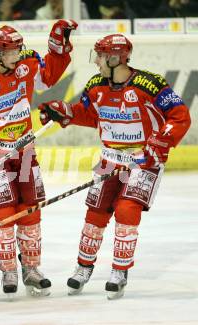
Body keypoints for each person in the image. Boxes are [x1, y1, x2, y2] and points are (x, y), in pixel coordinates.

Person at [38, 33, 191, 299]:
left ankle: (119, 271)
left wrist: (158, 144)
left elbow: (179, 116)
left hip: (144, 161)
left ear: (114, 57)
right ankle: (83, 267)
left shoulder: (149, 84)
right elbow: (89, 114)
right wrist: (65, 112)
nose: (95, 61)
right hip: (110, 159)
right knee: (95, 214)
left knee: (127, 210)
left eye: (100, 55)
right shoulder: (97, 85)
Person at [0, 20, 77, 297]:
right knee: (2, 213)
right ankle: (8, 270)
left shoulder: (25, 66)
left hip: (24, 150)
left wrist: (58, 46)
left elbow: (49, 76)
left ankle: (31, 268)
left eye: (18, 50)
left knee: (31, 209)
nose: (16, 56)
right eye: (10, 52)